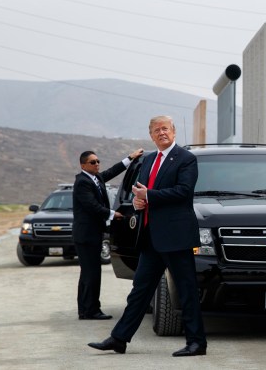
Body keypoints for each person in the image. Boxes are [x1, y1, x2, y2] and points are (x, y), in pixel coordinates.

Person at [88, 115, 208, 357]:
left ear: (173, 131)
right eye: (156, 130)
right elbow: (141, 191)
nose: (161, 133)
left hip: (176, 237)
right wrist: (137, 202)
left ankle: (197, 343)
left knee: (186, 290)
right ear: (151, 135)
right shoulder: (149, 159)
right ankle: (119, 339)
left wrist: (149, 196)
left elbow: (183, 192)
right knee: (140, 291)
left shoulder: (186, 159)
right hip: (150, 237)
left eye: (165, 128)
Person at [73, 148, 143, 320]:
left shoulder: (96, 178)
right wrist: (113, 214)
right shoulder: (82, 182)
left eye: (98, 161)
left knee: (88, 273)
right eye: (92, 162)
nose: (97, 164)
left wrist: (130, 158)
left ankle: (85, 310)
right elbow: (92, 206)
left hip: (92, 234)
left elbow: (112, 171)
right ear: (83, 165)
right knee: (91, 273)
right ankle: (91, 310)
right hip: (86, 236)